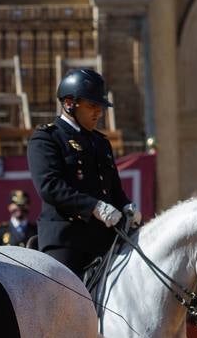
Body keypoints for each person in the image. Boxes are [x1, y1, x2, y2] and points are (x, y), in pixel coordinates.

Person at [27, 68, 137, 277]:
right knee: (64, 301)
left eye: (101, 107)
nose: (99, 112)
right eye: (92, 105)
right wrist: (94, 207)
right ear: (69, 103)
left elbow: (113, 189)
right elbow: (50, 187)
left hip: (105, 239)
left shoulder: (101, 142)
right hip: (67, 240)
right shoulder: (46, 138)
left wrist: (126, 206)